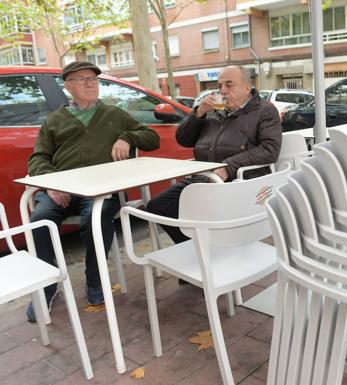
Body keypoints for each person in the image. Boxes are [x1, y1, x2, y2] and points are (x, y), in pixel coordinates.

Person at [26, 61, 160, 321]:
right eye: (81, 79)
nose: (90, 83)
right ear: (67, 87)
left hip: (101, 191)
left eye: (94, 79)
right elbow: (38, 158)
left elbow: (151, 138)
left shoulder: (115, 115)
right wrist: (52, 184)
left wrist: (128, 137)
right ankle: (47, 286)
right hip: (61, 189)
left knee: (97, 220)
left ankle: (95, 280)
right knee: (39, 222)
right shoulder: (54, 120)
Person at [146, 65, 282, 245]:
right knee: (157, 207)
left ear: (247, 88)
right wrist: (198, 113)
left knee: (194, 213)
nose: (223, 91)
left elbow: (270, 149)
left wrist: (229, 167)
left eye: (229, 85)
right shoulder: (212, 110)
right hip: (203, 179)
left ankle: (205, 253)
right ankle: (198, 250)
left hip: (236, 182)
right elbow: (184, 140)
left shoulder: (264, 110)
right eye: (219, 86)